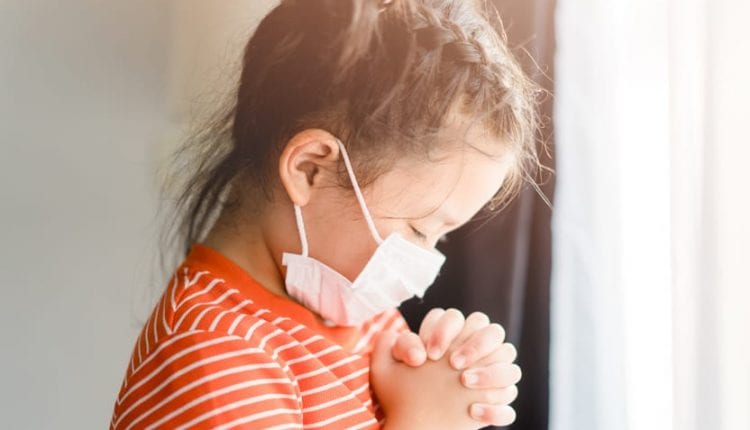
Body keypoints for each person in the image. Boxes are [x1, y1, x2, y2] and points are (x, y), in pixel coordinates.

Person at [111, 0, 540, 428]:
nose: (424, 268)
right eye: (419, 229)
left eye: (440, 237)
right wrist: (428, 419)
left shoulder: (356, 313)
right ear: (310, 169)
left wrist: (445, 381)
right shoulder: (211, 358)